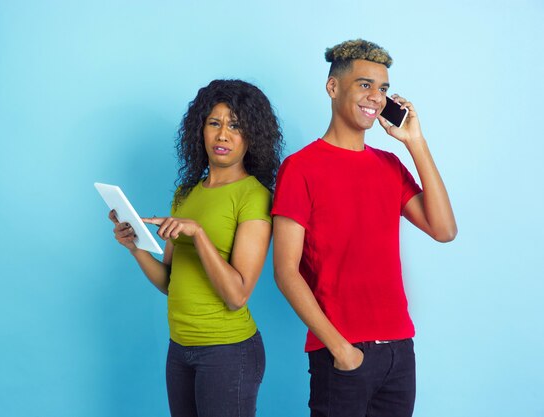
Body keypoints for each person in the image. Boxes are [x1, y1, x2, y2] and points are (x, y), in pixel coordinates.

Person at [271, 39, 457, 417]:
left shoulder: (389, 165)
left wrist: (415, 143)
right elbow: (285, 271)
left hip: (399, 350)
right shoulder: (300, 168)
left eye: (384, 88)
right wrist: (340, 349)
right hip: (341, 353)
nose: (376, 97)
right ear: (333, 87)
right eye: (364, 84)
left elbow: (444, 229)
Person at [108, 79, 283, 417]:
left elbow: (237, 295)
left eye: (235, 126)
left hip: (228, 352)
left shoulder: (255, 197)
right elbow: (170, 283)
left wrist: (199, 235)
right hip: (180, 349)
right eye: (214, 123)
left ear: (252, 135)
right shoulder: (186, 195)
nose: (222, 135)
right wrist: (136, 248)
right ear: (200, 129)